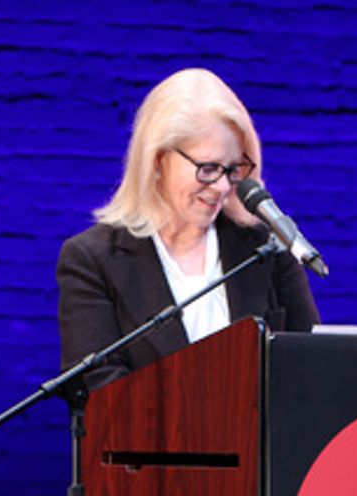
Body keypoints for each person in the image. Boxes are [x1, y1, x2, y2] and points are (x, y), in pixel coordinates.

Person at [57, 68, 319, 385]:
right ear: (158, 161)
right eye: (207, 168)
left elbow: (311, 367)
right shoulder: (92, 260)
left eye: (233, 169)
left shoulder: (268, 248)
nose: (222, 187)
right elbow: (97, 389)